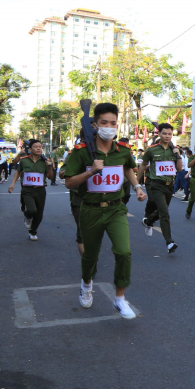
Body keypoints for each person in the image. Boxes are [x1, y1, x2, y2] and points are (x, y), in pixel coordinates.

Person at [64, 103, 146, 319]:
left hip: (116, 209)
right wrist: (91, 172)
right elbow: (69, 183)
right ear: (94, 125)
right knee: (90, 257)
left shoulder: (123, 150)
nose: (109, 127)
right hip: (90, 210)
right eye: (104, 123)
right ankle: (86, 284)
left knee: (123, 252)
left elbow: (128, 168)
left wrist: (137, 187)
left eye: (113, 123)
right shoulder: (81, 153)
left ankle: (119, 298)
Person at [138, 123, 181, 253]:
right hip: (156, 185)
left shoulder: (174, 150)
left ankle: (149, 221)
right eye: (164, 133)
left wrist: (178, 155)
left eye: (169, 134)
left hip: (169, 186)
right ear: (159, 134)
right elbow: (143, 165)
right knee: (164, 213)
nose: (167, 136)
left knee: (162, 210)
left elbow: (179, 169)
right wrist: (136, 183)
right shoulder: (151, 150)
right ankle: (169, 242)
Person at [8, 139, 53, 241]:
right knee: (32, 210)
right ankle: (27, 216)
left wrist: (50, 168)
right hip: (27, 190)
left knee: (39, 214)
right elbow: (18, 172)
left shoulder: (45, 162)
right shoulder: (24, 160)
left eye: (40, 147)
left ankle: (33, 232)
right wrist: (12, 183)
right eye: (35, 147)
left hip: (41, 190)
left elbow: (50, 177)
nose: (38, 148)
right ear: (30, 149)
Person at [60, 145, 84, 257]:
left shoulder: (111, 153)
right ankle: (88, 266)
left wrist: (137, 186)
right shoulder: (74, 154)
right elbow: (62, 174)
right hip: (79, 195)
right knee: (83, 232)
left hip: (105, 201)